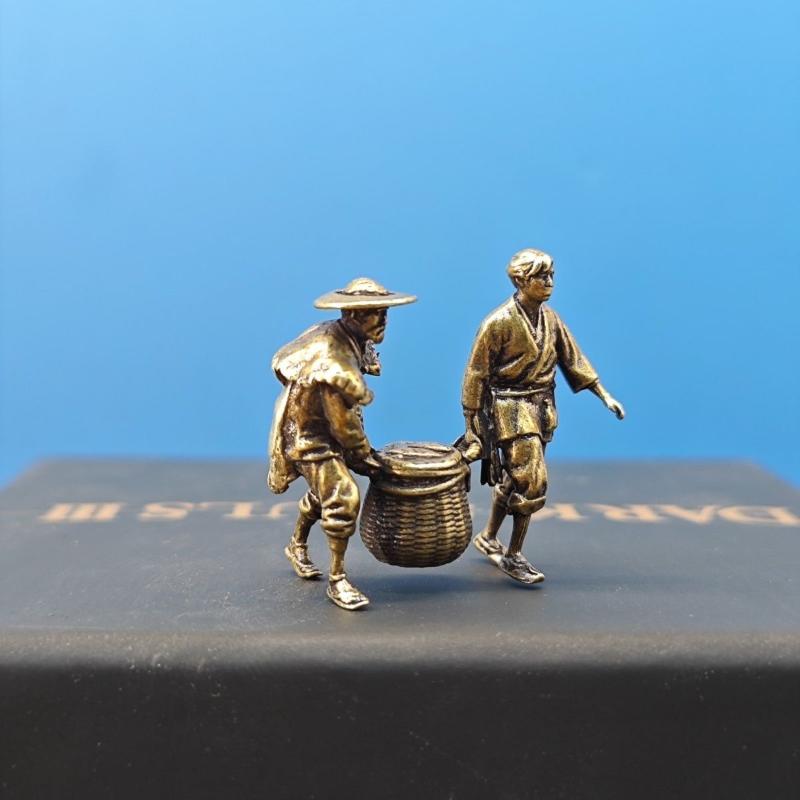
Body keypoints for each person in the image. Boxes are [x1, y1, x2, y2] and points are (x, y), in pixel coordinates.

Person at [461, 249, 624, 584]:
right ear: (521, 281)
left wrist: (603, 394)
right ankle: (514, 554)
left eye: (551, 276)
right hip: (510, 408)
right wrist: (471, 422)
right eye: (540, 276)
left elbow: (573, 359)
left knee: (516, 478)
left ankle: (489, 537)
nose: (549, 282)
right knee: (533, 482)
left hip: (542, 406)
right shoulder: (498, 322)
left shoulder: (551, 319)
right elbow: (476, 373)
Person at [268, 277, 416, 610]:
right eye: (376, 314)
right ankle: (337, 580)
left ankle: (296, 545)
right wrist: (366, 458)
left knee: (324, 490)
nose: (384, 320)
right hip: (310, 436)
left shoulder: (346, 336)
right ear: (353, 315)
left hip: (320, 427)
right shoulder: (334, 363)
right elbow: (344, 426)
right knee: (343, 495)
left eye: (385, 313)